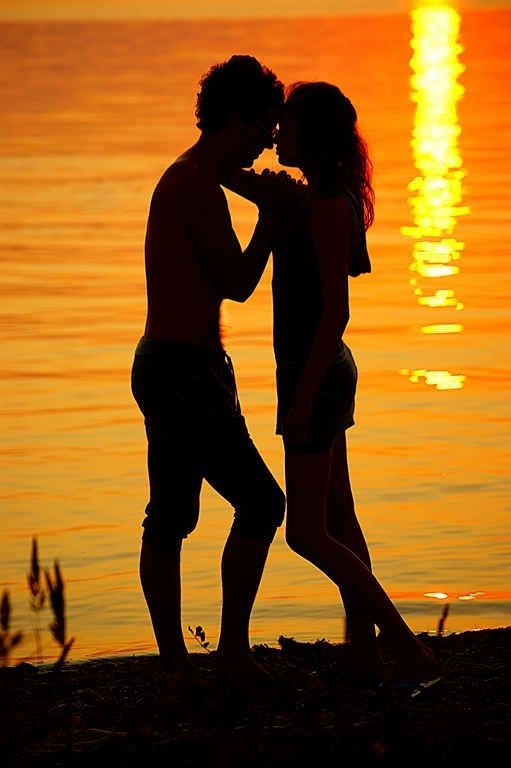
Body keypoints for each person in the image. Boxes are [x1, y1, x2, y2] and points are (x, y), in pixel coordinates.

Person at [223, 81, 439, 684]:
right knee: (340, 520)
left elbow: (334, 312)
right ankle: (364, 652)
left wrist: (302, 397)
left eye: (287, 127)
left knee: (305, 532)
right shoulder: (317, 198)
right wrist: (220, 157)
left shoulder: (322, 209)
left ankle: (405, 646)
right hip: (322, 372)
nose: (276, 136)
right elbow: (236, 178)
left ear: (311, 137)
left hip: (314, 374)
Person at [130, 55, 287, 688]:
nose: (265, 146)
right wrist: (271, 219)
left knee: (171, 515)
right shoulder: (195, 185)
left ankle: (179, 662)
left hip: (174, 363)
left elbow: (228, 176)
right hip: (182, 371)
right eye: (262, 130)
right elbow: (237, 282)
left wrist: (257, 191)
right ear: (234, 120)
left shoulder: (194, 176)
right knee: (261, 502)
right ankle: (228, 653)